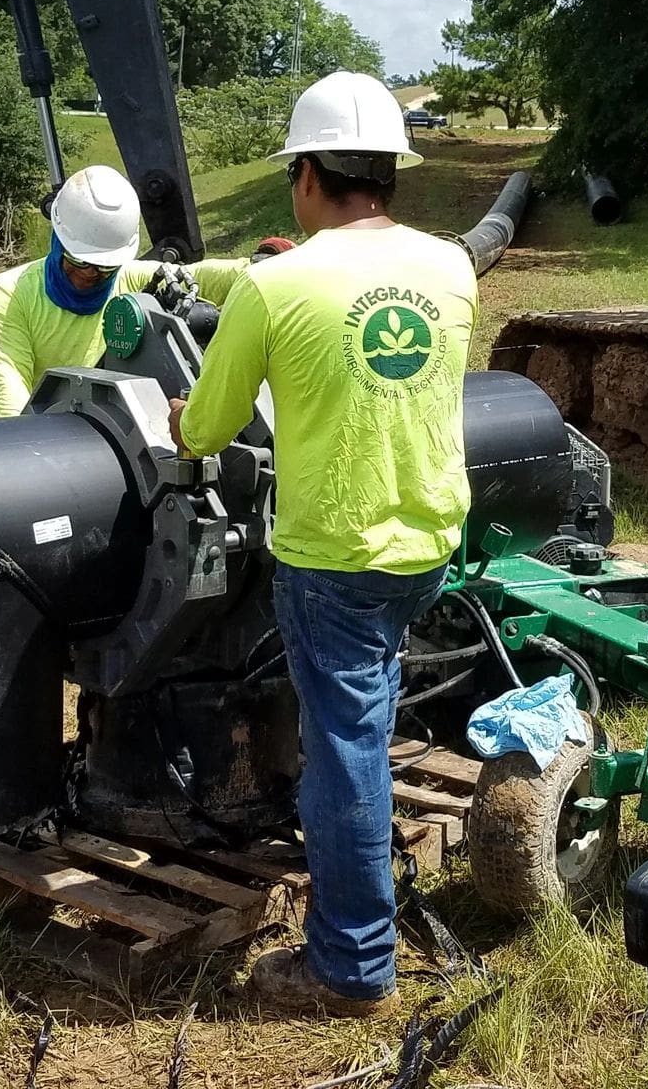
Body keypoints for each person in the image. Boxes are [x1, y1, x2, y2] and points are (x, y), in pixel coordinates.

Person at [169, 72, 475, 1016]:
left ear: (306, 175)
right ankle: (361, 882)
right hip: (426, 541)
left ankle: (350, 967)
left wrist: (183, 417)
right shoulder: (450, 268)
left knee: (341, 750)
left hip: (335, 555)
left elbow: (211, 428)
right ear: (389, 172)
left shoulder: (275, 283)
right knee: (366, 720)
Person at [0, 163, 252, 414]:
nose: (92, 273)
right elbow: (10, 385)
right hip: (49, 428)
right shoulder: (10, 293)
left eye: (106, 266)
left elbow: (195, 276)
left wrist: (258, 266)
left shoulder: (128, 280)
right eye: (81, 261)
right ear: (59, 239)